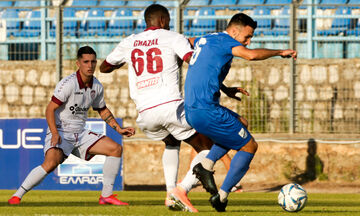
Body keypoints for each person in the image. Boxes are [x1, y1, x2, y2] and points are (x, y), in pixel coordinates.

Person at [100, 4, 222, 213]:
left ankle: (169, 193)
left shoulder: (130, 42)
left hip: (145, 113)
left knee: (172, 142)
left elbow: (104, 67)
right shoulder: (173, 37)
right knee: (209, 146)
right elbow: (192, 60)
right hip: (171, 107)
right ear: (164, 21)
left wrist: (124, 61)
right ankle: (181, 190)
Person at [184, 13, 297, 212]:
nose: (248, 41)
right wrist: (280, 52)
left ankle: (206, 165)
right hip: (206, 109)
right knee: (249, 146)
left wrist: (225, 89)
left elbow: (201, 61)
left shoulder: (206, 38)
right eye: (247, 36)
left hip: (194, 109)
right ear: (234, 30)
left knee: (242, 122)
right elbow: (251, 55)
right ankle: (223, 196)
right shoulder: (227, 41)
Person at [8, 46, 135, 206]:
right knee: (51, 163)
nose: (90, 65)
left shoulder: (97, 86)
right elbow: (50, 109)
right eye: (86, 62)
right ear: (78, 63)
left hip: (80, 133)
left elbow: (102, 110)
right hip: (61, 131)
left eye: (93, 62)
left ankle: (106, 196)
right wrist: (54, 133)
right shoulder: (68, 84)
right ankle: (17, 195)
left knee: (115, 149)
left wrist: (119, 129)